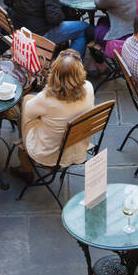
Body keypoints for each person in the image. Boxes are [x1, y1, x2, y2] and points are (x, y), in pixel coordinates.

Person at [13, 51, 95, 179]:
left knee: (25, 105)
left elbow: (29, 113)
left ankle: (26, 166)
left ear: (55, 73)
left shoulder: (46, 97)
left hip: (48, 152)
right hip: (77, 145)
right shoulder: (89, 87)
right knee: (38, 108)